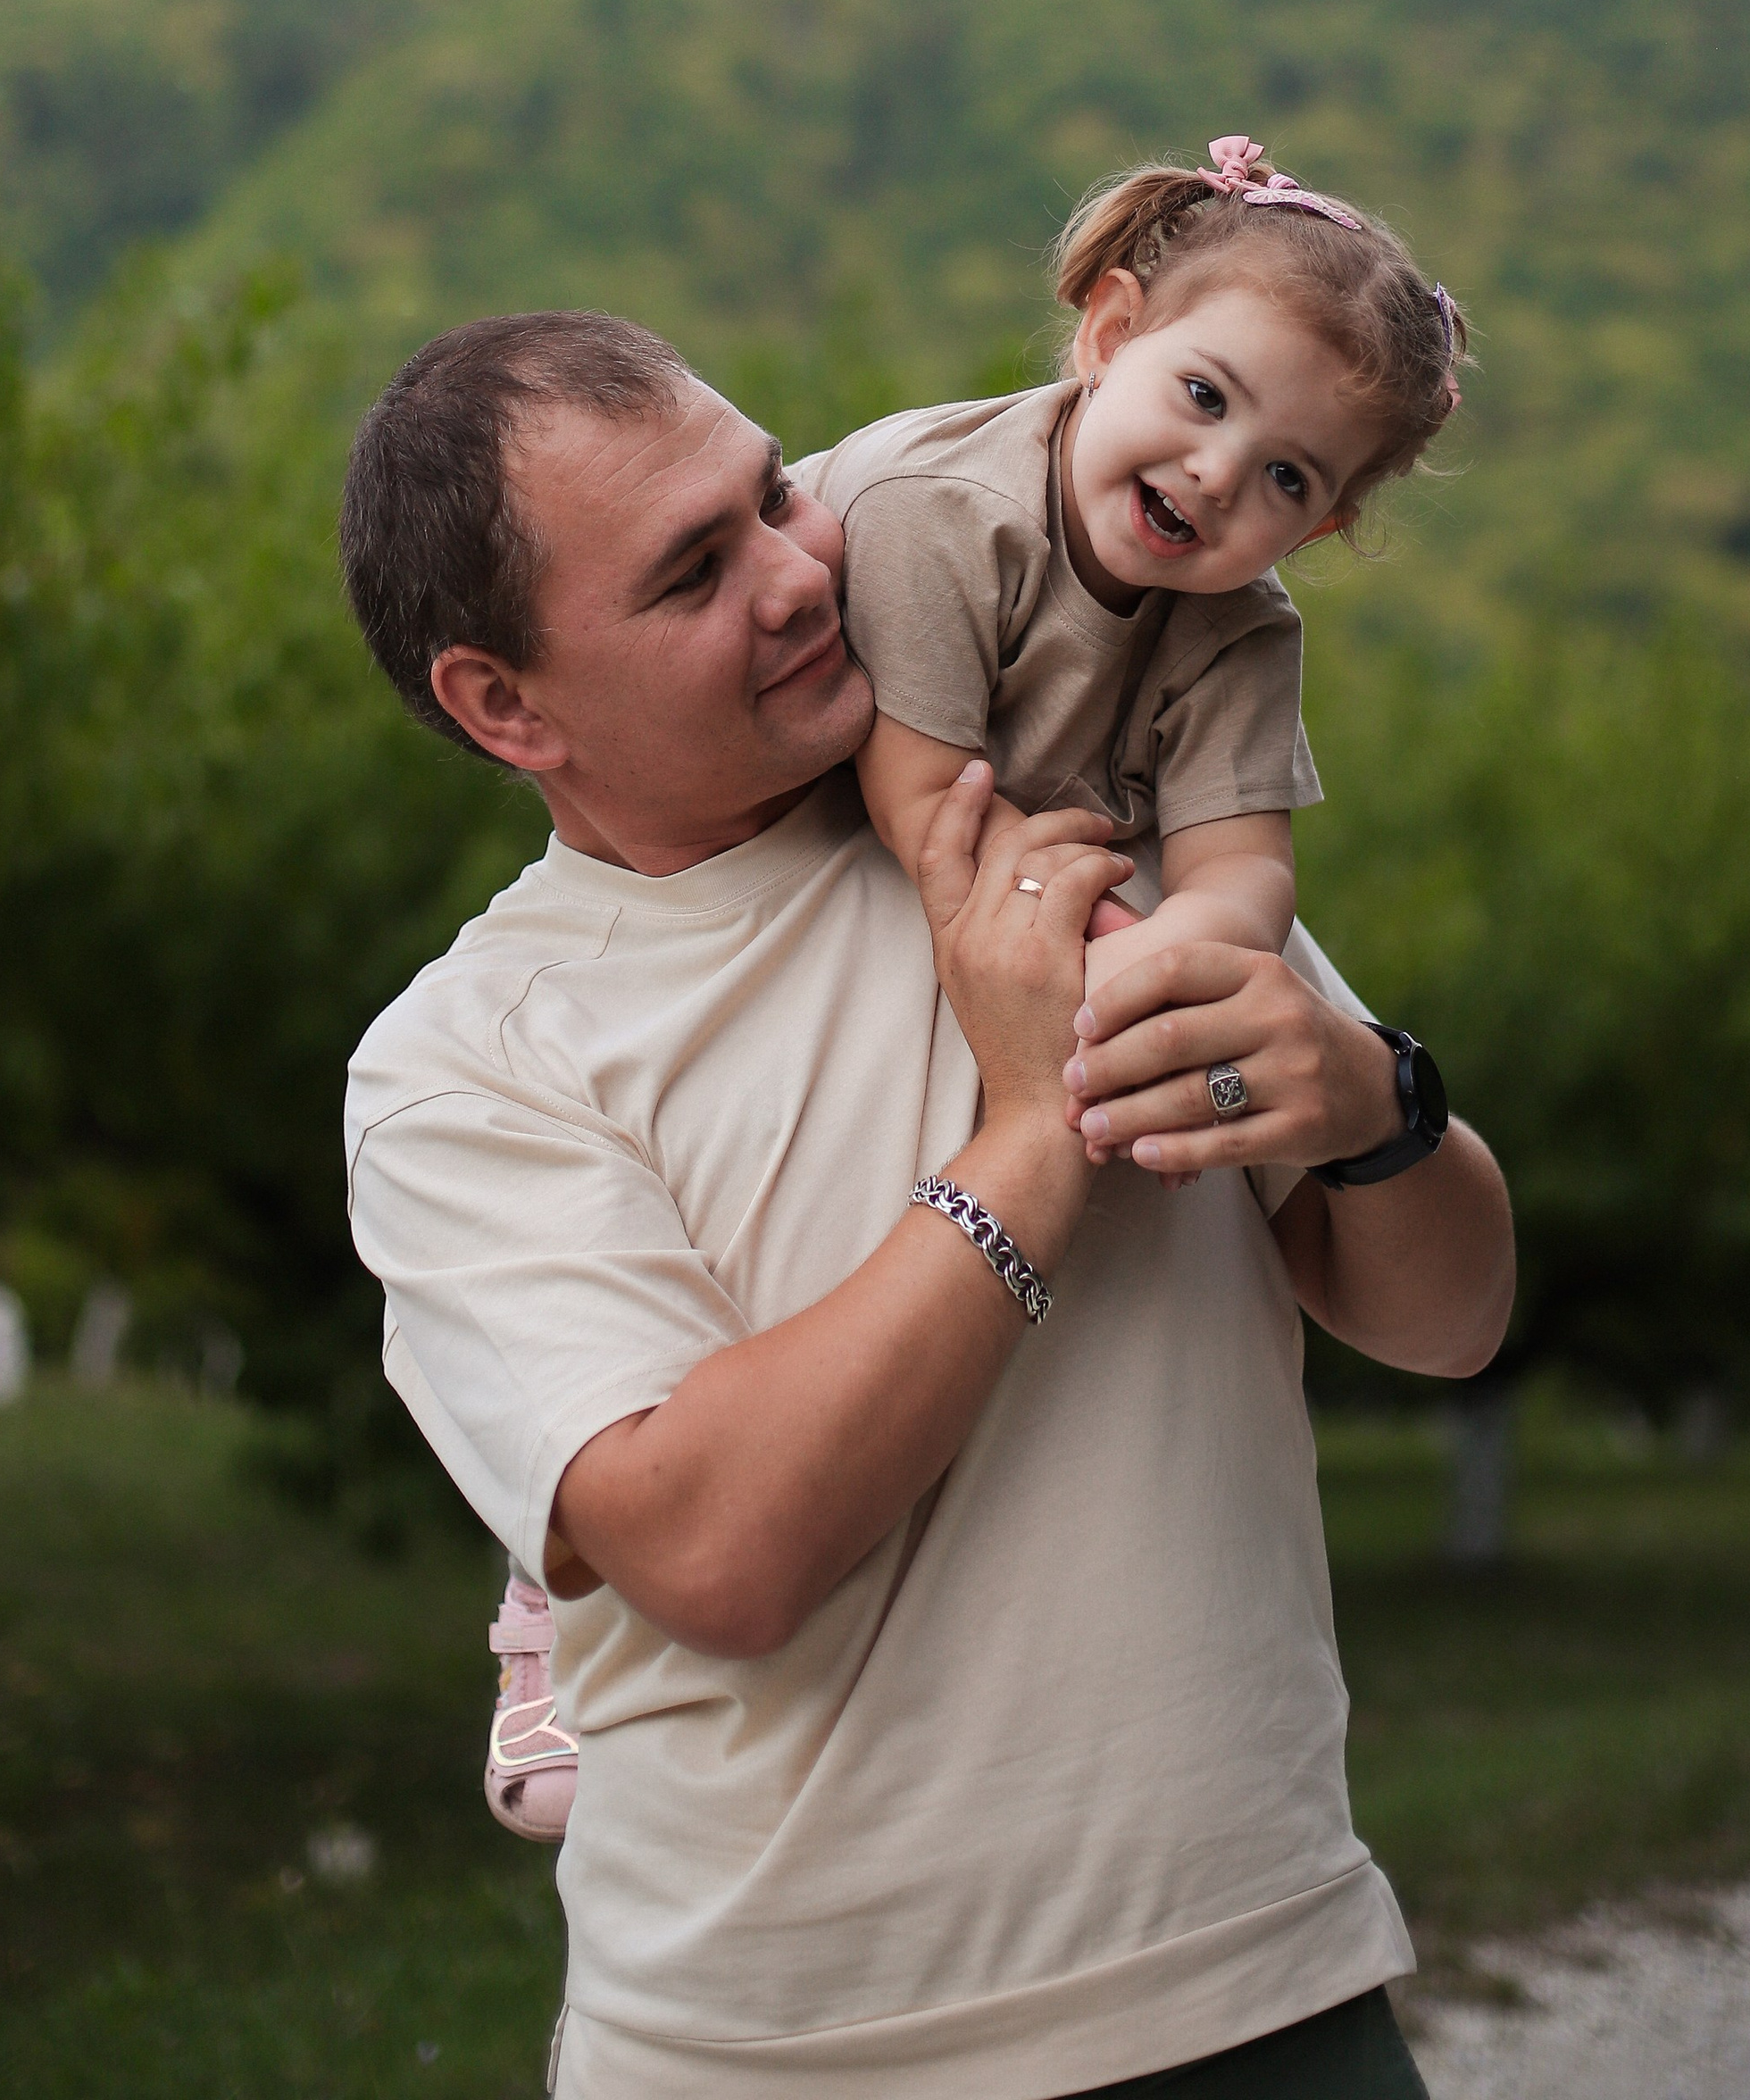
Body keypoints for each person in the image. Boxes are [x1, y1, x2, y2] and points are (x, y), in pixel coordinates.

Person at [341, 311, 1514, 2100]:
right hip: (774, 2057)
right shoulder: (474, 1063)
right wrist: (1037, 1123)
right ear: (504, 705)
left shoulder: (1074, 814)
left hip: (1251, 1984)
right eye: (690, 574)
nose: (802, 575)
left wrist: (1374, 1103)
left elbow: (1447, 1320)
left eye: (770, 498)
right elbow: (716, 1550)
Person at [830, 131, 1469, 1010]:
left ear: (1315, 528)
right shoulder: (946, 514)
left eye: (1286, 477)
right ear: (1110, 334)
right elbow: (925, 797)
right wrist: (1097, 929)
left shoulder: (1240, 627)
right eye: (1205, 396)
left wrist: (1166, 953)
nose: (1218, 474)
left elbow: (1240, 866)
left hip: (1063, 875)